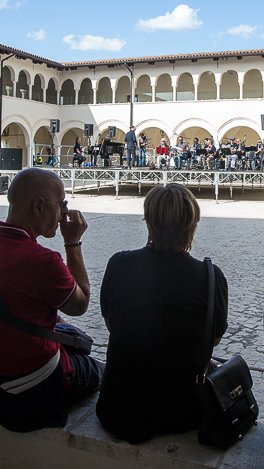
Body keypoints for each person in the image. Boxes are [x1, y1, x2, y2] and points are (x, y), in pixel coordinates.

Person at [0, 168, 103, 432]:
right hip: (25, 388)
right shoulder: (43, 261)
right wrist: (73, 243)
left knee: (70, 334)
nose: (62, 215)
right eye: (62, 205)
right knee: (96, 369)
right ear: (38, 206)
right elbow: (80, 305)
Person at [97, 184, 228, 443]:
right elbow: (211, 341)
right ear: (193, 223)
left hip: (119, 408)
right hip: (181, 412)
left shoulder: (119, 264)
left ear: (148, 220)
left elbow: (113, 325)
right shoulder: (209, 277)